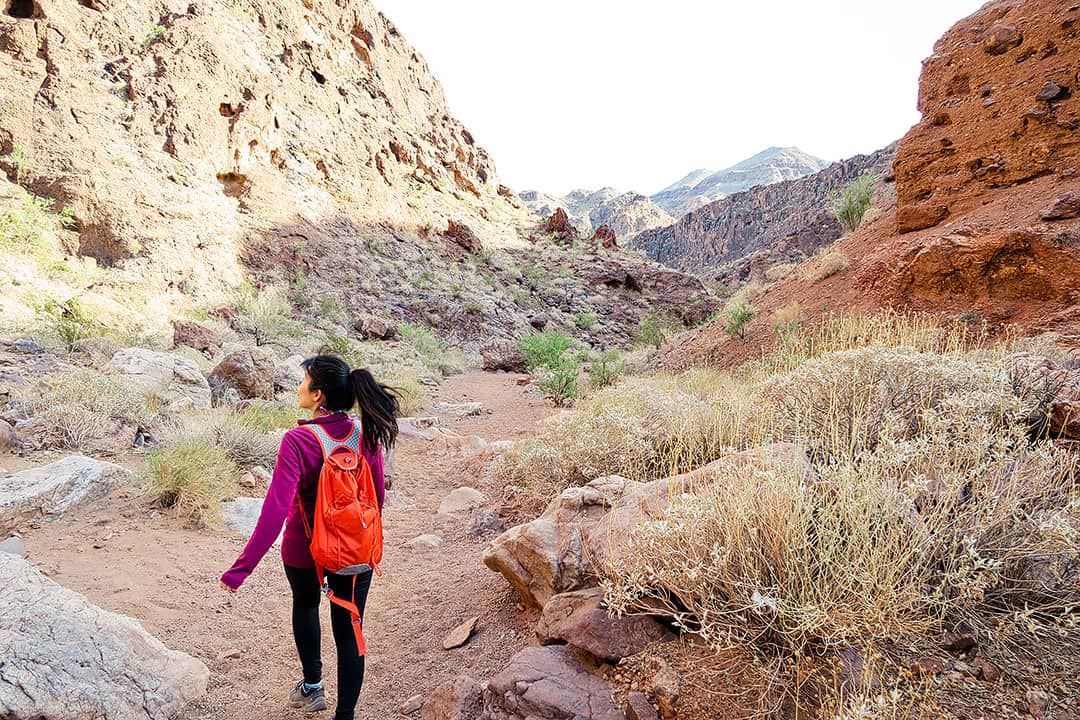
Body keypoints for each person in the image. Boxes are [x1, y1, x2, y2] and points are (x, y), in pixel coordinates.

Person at [220, 355, 399, 719]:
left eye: (303, 382)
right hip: (354, 549)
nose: (298, 387)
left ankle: (313, 687)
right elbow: (377, 496)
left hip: (304, 547)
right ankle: (344, 715)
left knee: (304, 605)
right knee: (350, 626)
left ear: (318, 395)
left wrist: (240, 571)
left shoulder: (299, 440)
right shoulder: (366, 433)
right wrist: (357, 536)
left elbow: (273, 512)